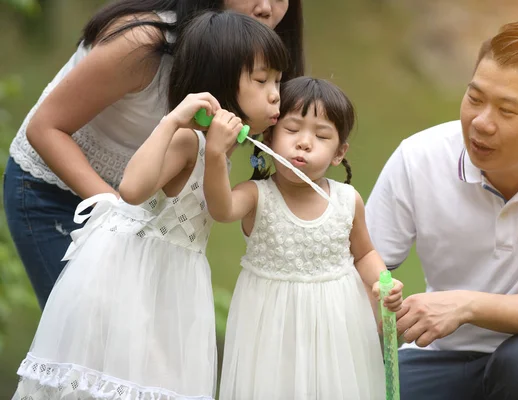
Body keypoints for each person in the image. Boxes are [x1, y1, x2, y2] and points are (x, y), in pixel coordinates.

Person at [12, 10, 287, 400]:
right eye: (262, 81)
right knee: (119, 378)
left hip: (174, 279)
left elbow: (222, 210)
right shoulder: (187, 140)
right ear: (222, 82)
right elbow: (132, 188)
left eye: (277, 80)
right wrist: (171, 121)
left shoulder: (216, 149)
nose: (276, 93)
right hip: (132, 276)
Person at [3, 0, 304, 308]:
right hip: (54, 192)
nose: (267, 7)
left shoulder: (256, 72)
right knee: (90, 333)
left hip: (140, 210)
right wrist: (121, 222)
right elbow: (45, 128)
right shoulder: (143, 42)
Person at [365, 19, 518, 399]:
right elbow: (363, 268)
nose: (481, 123)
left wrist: (465, 305)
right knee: (372, 390)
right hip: (443, 354)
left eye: (507, 111)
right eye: (475, 98)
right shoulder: (418, 158)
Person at [203, 76, 403, 399]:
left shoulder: (347, 200)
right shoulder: (257, 195)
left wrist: (383, 282)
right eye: (292, 130)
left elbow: (364, 254)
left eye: (321, 135)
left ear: (339, 153)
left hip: (336, 329)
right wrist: (214, 155)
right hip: (271, 329)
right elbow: (221, 208)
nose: (304, 142)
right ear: (268, 137)